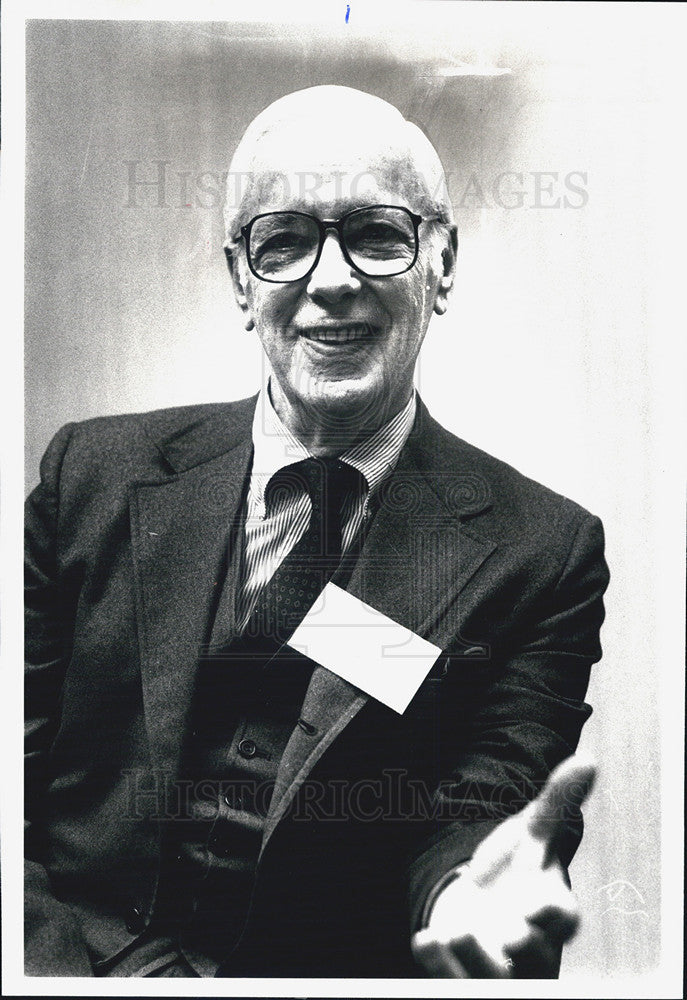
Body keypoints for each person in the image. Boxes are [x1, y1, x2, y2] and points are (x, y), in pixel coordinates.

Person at [24, 85, 609, 979]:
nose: (330, 280)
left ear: (441, 263)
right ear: (238, 280)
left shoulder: (541, 553)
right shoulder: (90, 479)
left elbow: (488, 800)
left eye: (377, 234)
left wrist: (465, 892)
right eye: (285, 241)